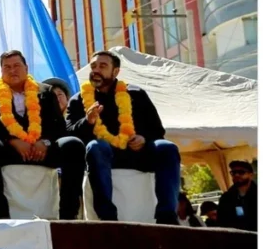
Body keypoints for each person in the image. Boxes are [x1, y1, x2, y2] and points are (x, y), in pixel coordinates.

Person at [66, 50, 181, 225]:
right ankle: (107, 216)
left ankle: (166, 215)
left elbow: (157, 130)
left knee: (167, 148)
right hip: (104, 159)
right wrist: (88, 121)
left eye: (103, 66)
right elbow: (69, 135)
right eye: (93, 66)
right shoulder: (78, 100)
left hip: (137, 155)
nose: (96, 70)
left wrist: (144, 139)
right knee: (95, 147)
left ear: (115, 71)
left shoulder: (136, 94)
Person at [0, 50, 85, 220]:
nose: (12, 70)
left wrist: (46, 142)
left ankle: (68, 212)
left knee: (73, 144)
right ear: (1, 71)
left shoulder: (46, 91)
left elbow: (59, 127)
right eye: (7, 67)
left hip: (43, 150)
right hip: (10, 151)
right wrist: (13, 141)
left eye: (17, 65)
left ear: (26, 68)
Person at [217, 160, 257, 231]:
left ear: (251, 175)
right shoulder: (226, 198)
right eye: (233, 173)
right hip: (235, 238)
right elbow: (221, 222)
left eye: (241, 172)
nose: (236, 175)